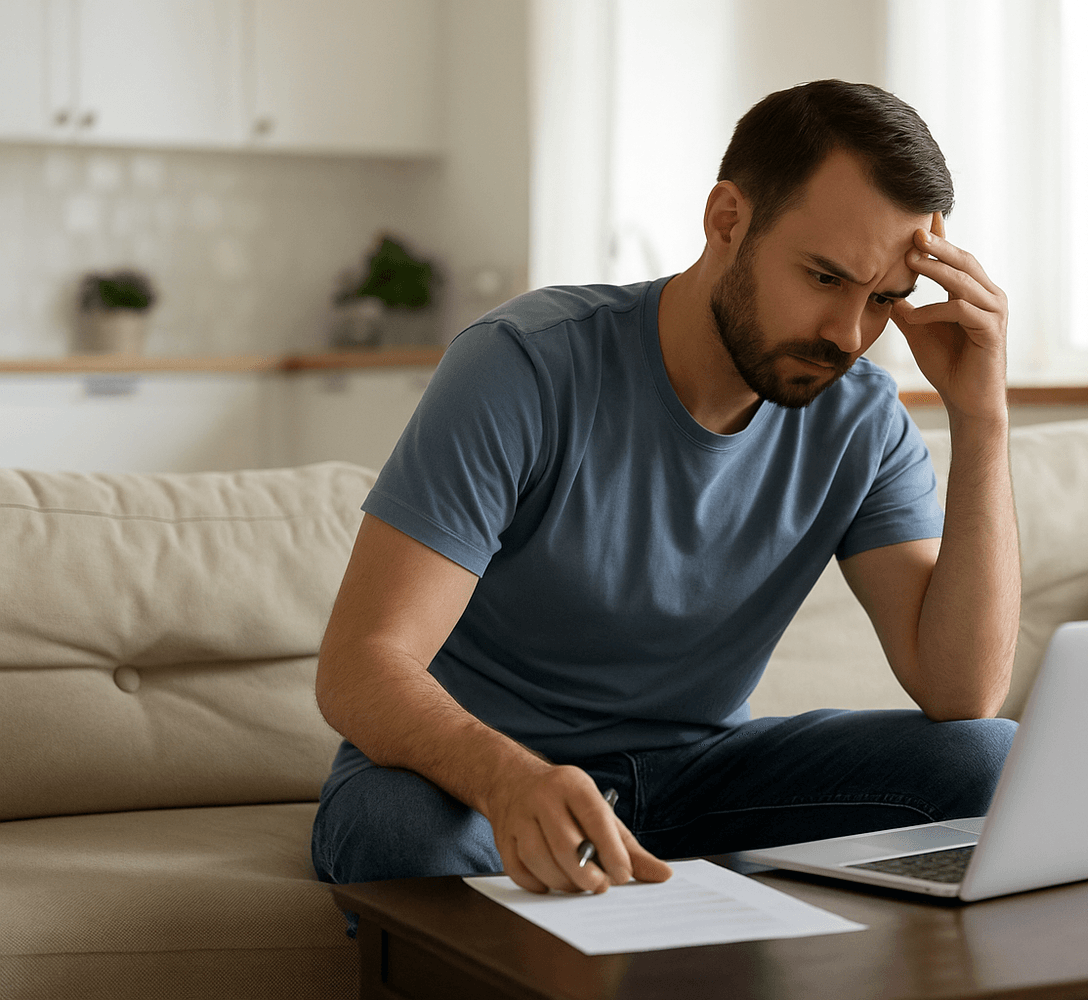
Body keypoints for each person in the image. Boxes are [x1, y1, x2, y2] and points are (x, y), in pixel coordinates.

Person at [311, 79, 1021, 899]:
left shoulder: (859, 418)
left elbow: (960, 689)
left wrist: (983, 419)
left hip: (700, 780)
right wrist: (510, 782)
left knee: (988, 758)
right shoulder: (524, 366)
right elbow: (361, 667)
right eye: (826, 278)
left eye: (884, 300)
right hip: (481, 782)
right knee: (399, 830)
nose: (848, 335)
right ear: (727, 220)